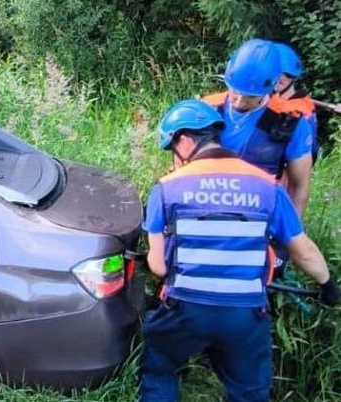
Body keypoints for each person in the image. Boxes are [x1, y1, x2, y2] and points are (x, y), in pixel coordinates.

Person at [140, 99, 340, 402]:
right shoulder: (266, 185)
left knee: (160, 368)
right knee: (250, 392)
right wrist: (328, 286)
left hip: (185, 309)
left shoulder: (167, 187)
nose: (174, 158)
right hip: (245, 313)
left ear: (183, 140)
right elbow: (303, 251)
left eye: (172, 149)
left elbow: (158, 266)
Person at [202, 39, 313, 217]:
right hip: (205, 200)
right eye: (235, 92)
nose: (238, 101)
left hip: (258, 209)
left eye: (249, 97)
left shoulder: (290, 122)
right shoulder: (205, 110)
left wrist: (291, 231)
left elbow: (299, 185)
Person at [273, 42, 319, 159]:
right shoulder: (272, 100)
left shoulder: (301, 109)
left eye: (283, 74)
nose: (277, 78)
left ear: (292, 76)